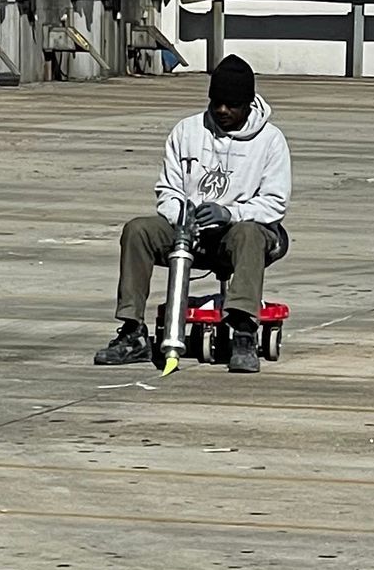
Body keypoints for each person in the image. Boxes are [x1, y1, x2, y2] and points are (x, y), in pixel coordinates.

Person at [95, 54, 290, 375]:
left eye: (232, 105)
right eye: (217, 103)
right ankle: (132, 332)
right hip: (190, 229)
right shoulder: (187, 131)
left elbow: (275, 202)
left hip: (239, 232)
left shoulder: (270, 141)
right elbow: (168, 189)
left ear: (248, 104)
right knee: (138, 230)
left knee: (249, 233)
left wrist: (230, 213)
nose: (223, 111)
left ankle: (242, 330)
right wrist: (181, 216)